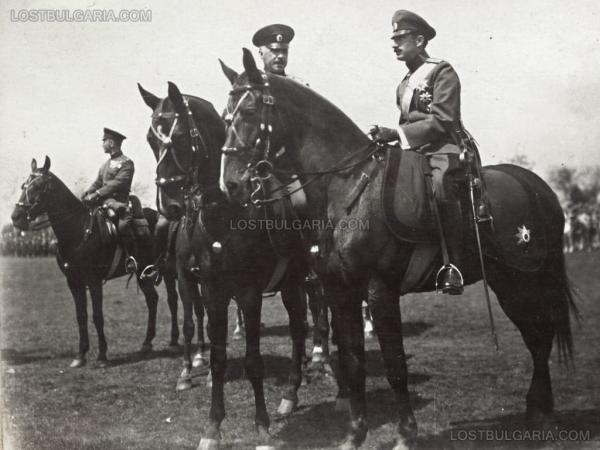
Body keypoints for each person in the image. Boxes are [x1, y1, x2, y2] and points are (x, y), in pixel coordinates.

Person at [370, 10, 469, 295]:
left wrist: (397, 134)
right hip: (414, 150)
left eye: (401, 37)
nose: (395, 43)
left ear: (420, 40)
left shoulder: (442, 71)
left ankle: (455, 265)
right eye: (394, 38)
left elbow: (443, 120)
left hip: (443, 147)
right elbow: (406, 124)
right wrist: (387, 137)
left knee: (440, 187)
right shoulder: (403, 84)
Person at [82, 128, 142, 273]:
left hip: (119, 204)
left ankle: (131, 258)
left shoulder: (127, 163)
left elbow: (118, 183)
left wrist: (96, 194)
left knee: (122, 226)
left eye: (104, 141)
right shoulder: (105, 165)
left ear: (111, 142)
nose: (102, 144)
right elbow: (97, 182)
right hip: (103, 204)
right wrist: (87, 193)